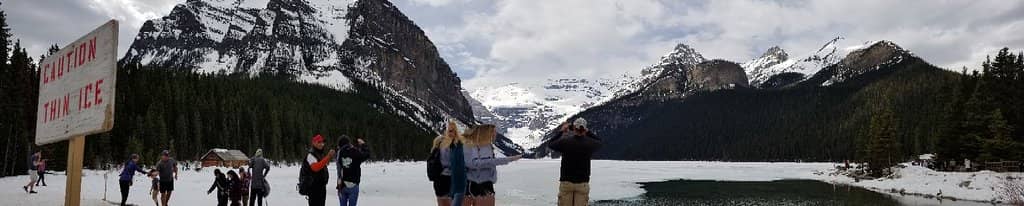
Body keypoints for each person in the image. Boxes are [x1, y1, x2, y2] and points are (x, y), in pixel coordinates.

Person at [547, 118, 602, 206]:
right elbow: (600, 142)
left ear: (574, 129)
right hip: (582, 183)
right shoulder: (590, 143)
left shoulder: (565, 142)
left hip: (566, 182)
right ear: (584, 129)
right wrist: (588, 132)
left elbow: (550, 143)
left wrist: (561, 131)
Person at [463, 125, 521, 206]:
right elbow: (474, 164)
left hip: (486, 184)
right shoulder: (469, 145)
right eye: (492, 131)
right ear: (485, 133)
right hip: (474, 184)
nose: (495, 133)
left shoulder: (487, 146)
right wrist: (507, 160)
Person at [301, 134, 336, 206]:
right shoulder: (310, 155)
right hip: (314, 188)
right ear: (314, 143)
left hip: (321, 187)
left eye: (322, 142)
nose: (321, 144)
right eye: (319, 142)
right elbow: (315, 168)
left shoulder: (319, 153)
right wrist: (328, 157)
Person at [432, 120, 462, 206]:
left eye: (454, 131)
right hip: (446, 179)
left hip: (443, 180)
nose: (453, 133)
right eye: (450, 131)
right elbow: (447, 162)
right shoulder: (445, 145)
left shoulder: (446, 144)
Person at [336, 135, 371, 206]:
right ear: (349, 143)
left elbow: (338, 168)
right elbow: (366, 155)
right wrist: (363, 145)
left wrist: (339, 183)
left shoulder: (339, 153)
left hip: (342, 185)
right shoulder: (355, 151)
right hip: (353, 185)